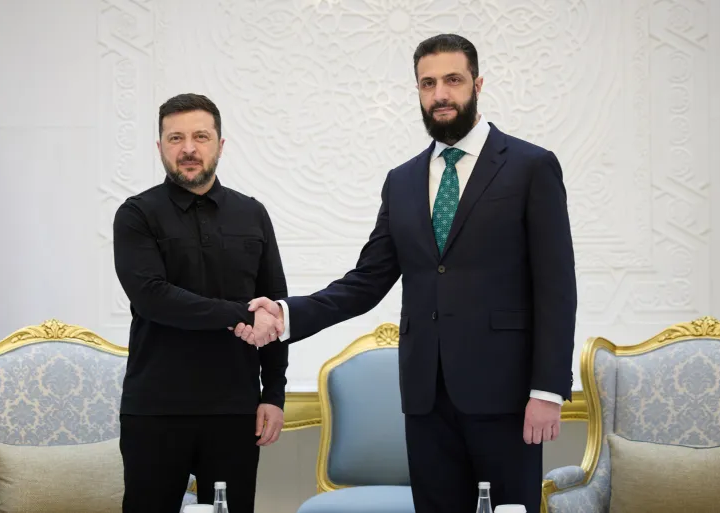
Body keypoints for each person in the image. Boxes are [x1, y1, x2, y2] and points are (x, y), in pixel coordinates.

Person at [236, 34, 577, 513]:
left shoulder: (531, 166)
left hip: (507, 396)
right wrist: (286, 314)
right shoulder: (402, 181)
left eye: (453, 80)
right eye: (428, 83)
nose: (441, 94)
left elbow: (557, 288)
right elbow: (366, 281)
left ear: (477, 84)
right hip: (425, 398)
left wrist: (547, 390)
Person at [113, 93, 287, 513]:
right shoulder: (136, 214)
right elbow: (154, 298)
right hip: (155, 409)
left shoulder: (253, 214)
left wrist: (273, 393)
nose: (188, 148)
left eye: (200, 137)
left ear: (220, 145)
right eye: (176, 138)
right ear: (160, 147)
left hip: (235, 410)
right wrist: (242, 313)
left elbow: (274, 308)